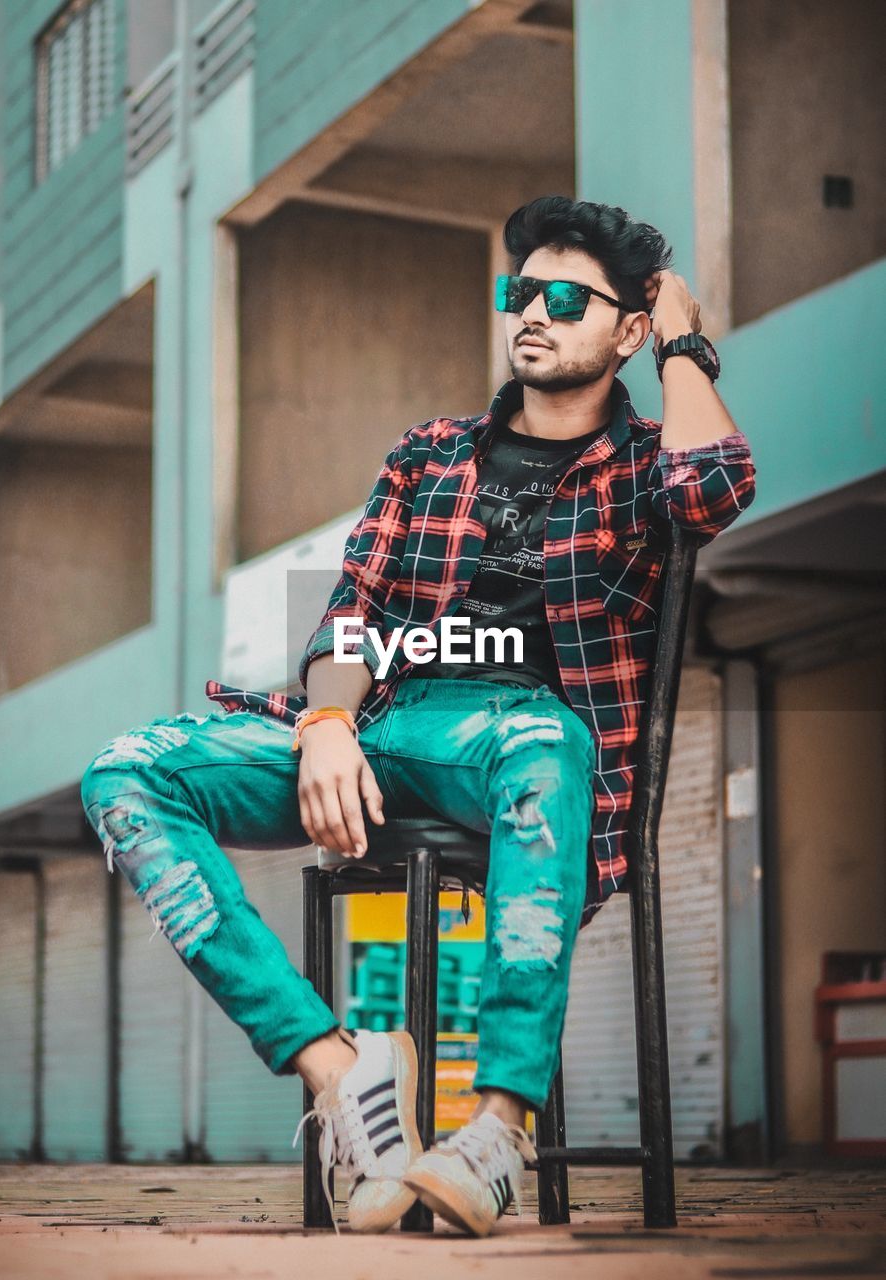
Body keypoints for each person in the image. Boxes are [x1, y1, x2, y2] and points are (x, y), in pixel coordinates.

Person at [81, 196, 757, 1236]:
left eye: (568, 297)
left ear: (627, 329)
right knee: (125, 771)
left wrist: (682, 341)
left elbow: (713, 486)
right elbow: (349, 609)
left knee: (540, 739)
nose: (532, 310)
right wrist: (325, 725)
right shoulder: (429, 451)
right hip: (381, 720)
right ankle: (337, 1066)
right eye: (518, 290)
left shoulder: (641, 465)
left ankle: (493, 1130)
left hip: (523, 734)